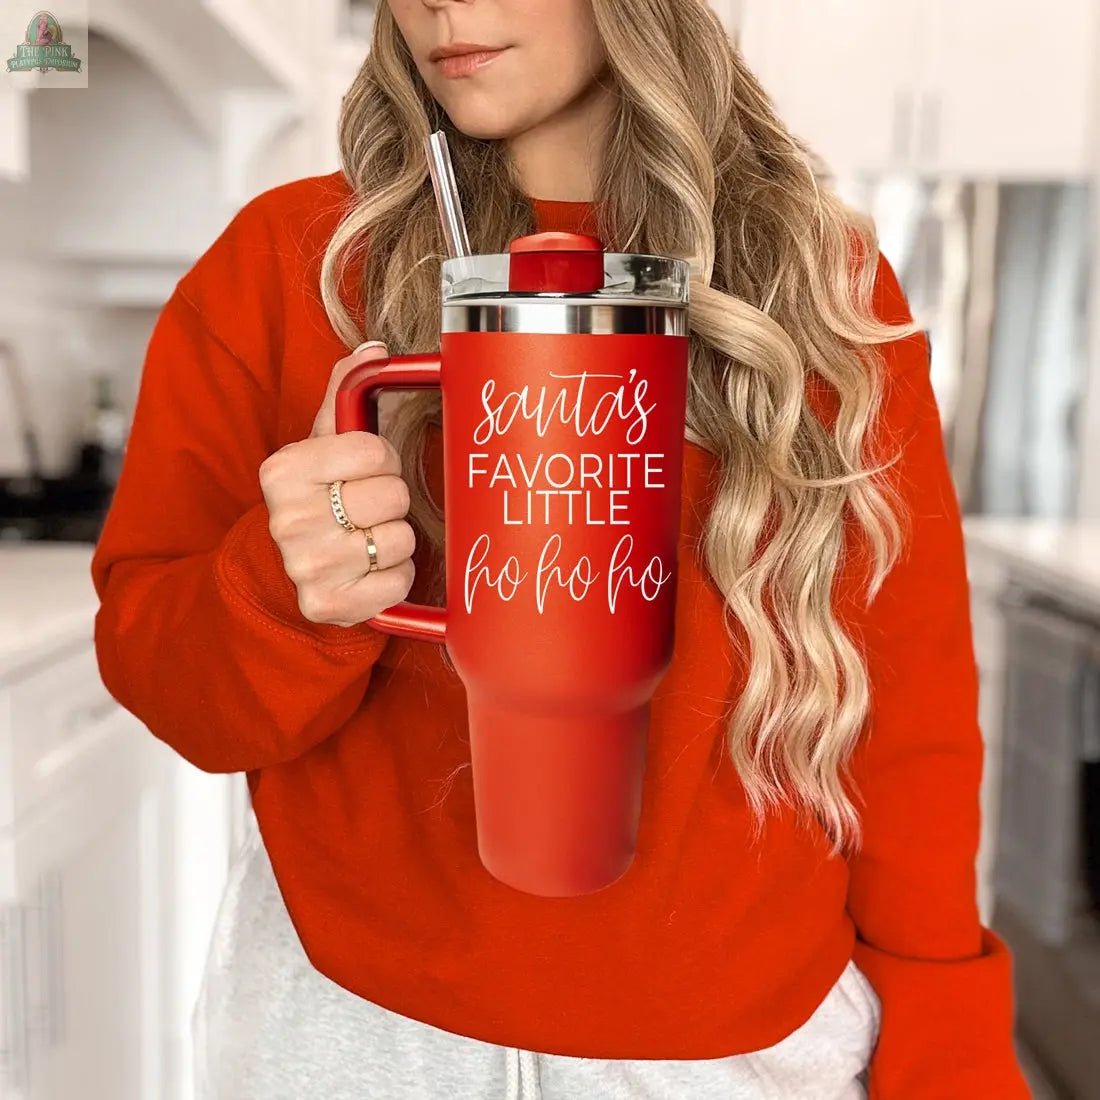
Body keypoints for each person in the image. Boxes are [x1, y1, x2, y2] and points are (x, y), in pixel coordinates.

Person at [90, 1, 1032, 1097]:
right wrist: (286, 591)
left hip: (735, 1046)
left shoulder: (820, 286)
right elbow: (175, 688)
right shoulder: (286, 266)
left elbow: (905, 715)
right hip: (349, 1028)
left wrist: (944, 1036)